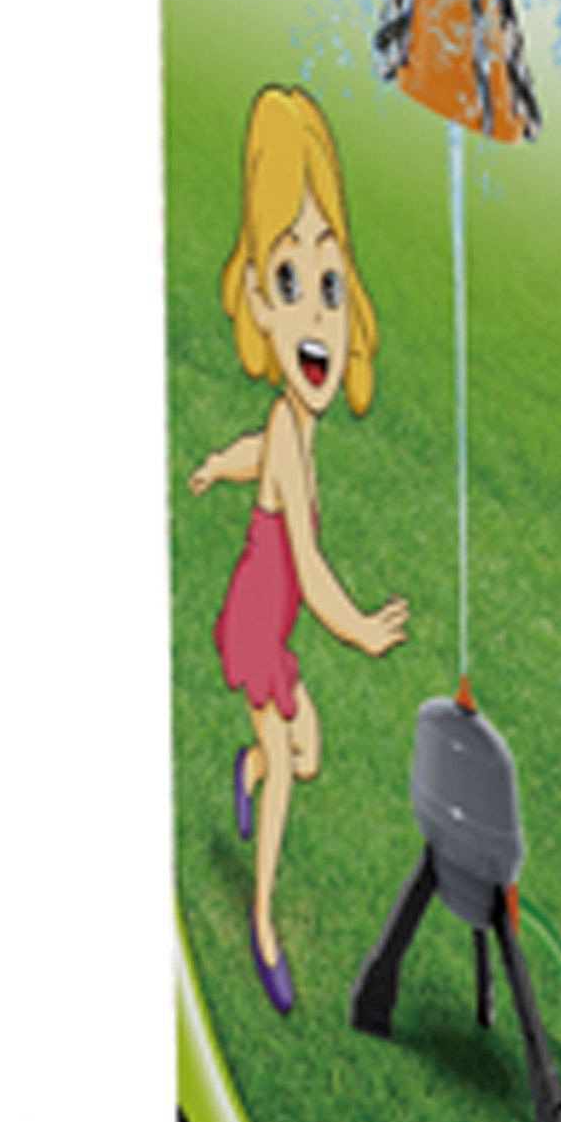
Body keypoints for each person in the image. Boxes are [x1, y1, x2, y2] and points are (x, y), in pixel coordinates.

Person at [189, 87, 409, 1011]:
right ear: (255, 297)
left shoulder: (291, 427)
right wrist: (357, 628)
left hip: (270, 621)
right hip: (260, 619)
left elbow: (268, 453)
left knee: (304, 755)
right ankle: (265, 925)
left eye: (329, 285)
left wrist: (219, 464)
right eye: (289, 284)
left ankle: (247, 770)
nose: (315, 318)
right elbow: (310, 572)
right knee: (288, 765)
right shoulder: (290, 427)